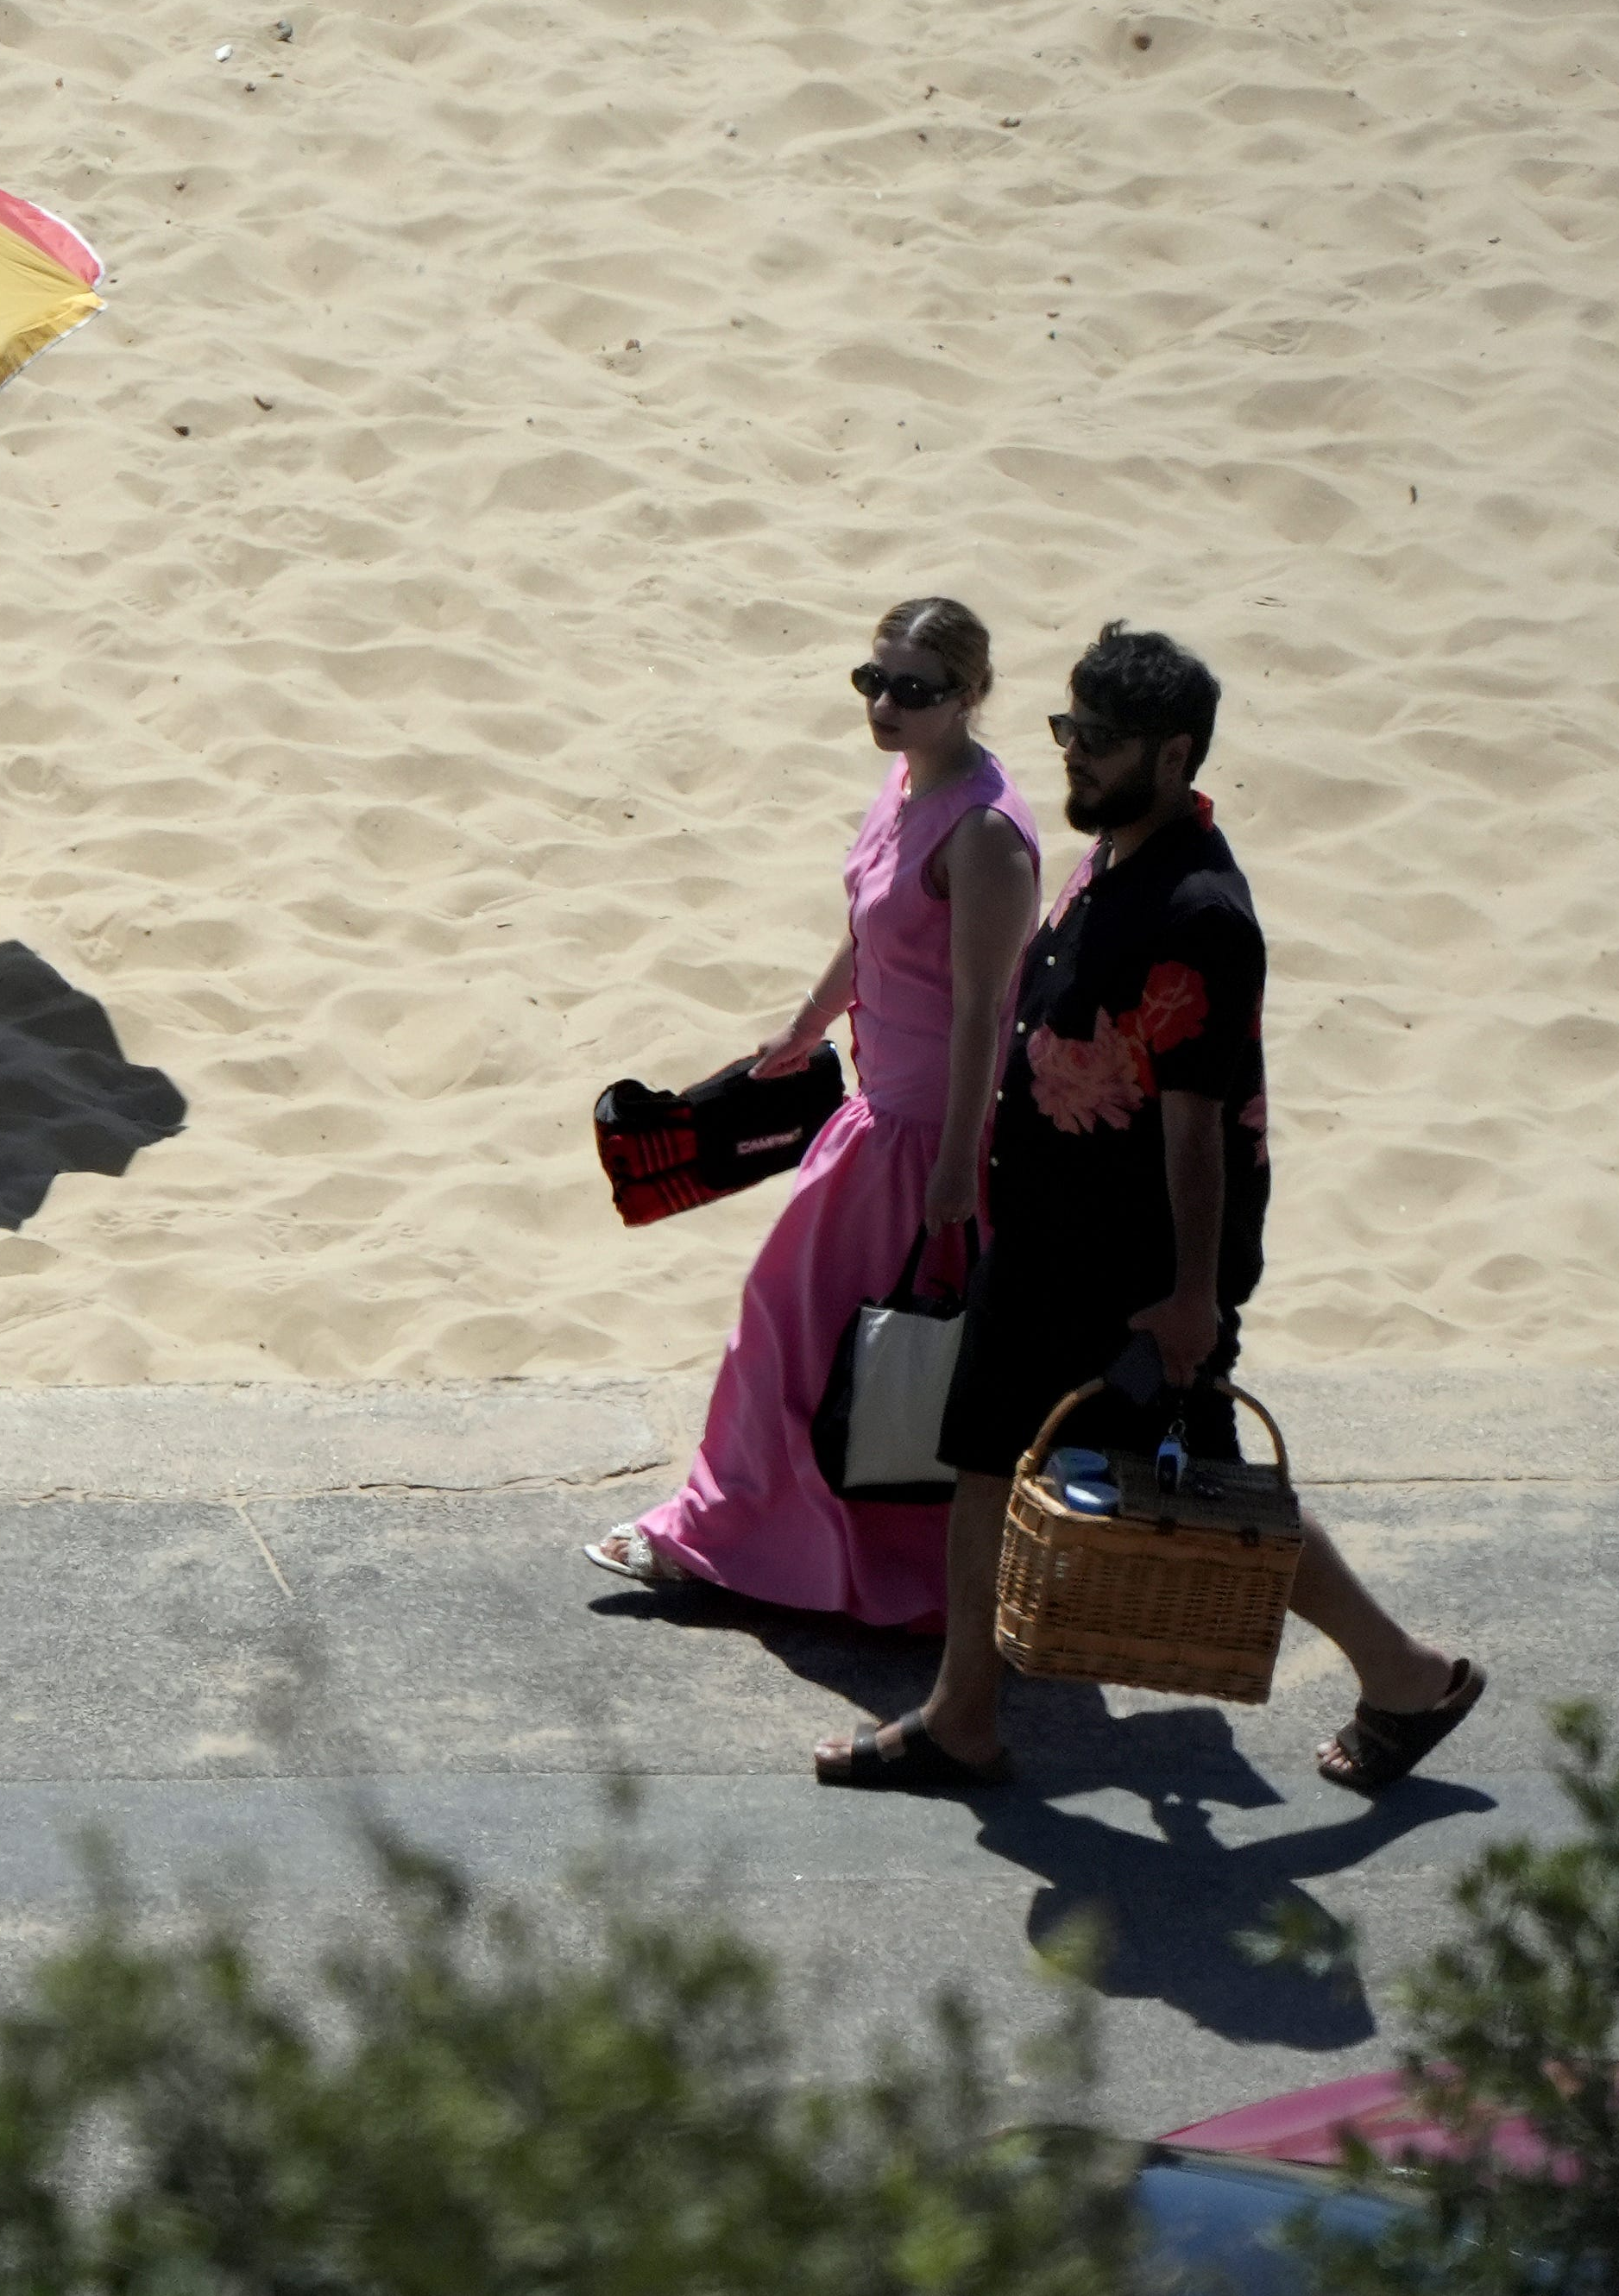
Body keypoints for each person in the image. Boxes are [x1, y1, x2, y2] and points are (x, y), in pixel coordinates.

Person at [813, 623, 1485, 1796]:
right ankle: (962, 1718)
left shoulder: (1197, 915)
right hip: (1040, 1237)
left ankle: (1404, 1672)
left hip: (1127, 1267)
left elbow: (1194, 1127)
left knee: (1206, 1504)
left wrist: (1184, 1295)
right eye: (1068, 731)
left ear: (1174, 754)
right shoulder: (1109, 859)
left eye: (1103, 743)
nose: (1073, 758)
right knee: (979, 1455)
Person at [588, 598, 1042, 1625]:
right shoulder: (908, 781)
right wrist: (803, 1028)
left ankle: (738, 1538)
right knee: (828, 1344)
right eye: (871, 680)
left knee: (834, 1345)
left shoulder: (984, 838)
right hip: (875, 1114)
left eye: (913, 690)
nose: (884, 704)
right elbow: (870, 929)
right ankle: (775, 1541)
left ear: (969, 695)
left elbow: (982, 1016)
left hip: (921, 1135)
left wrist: (951, 1168)